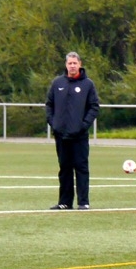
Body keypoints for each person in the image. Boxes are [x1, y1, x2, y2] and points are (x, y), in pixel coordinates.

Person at [45, 51, 100, 210]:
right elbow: (49, 105)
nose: (72, 66)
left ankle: (83, 202)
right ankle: (65, 202)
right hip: (61, 135)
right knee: (64, 168)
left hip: (79, 135)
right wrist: (54, 123)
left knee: (81, 167)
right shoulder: (57, 83)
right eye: (70, 63)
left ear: (80, 64)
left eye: (75, 63)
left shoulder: (87, 84)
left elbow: (94, 107)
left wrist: (83, 125)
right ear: (66, 65)